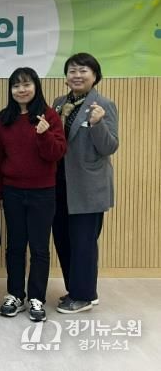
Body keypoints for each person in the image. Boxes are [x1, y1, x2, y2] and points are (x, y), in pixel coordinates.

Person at [0, 67, 66, 322]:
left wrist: (44, 134)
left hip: (43, 192)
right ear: (10, 90)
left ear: (36, 86)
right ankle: (15, 294)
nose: (21, 90)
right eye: (16, 85)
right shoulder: (4, 118)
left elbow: (57, 153)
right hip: (12, 191)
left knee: (39, 248)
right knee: (15, 246)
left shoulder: (49, 116)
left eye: (26, 84)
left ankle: (37, 298)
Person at [52, 53, 119, 314]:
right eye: (72, 71)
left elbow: (109, 147)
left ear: (95, 76)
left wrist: (97, 124)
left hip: (88, 186)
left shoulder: (104, 105)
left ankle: (84, 296)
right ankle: (78, 290)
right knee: (63, 239)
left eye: (83, 71)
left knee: (83, 243)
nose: (77, 75)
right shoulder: (59, 103)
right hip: (59, 184)